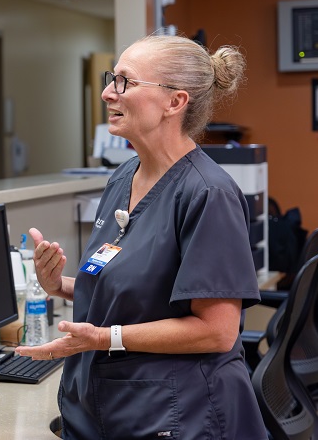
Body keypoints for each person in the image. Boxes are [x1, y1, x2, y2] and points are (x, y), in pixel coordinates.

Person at [15, 35, 268, 438]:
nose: (106, 93)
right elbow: (136, 294)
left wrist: (102, 337)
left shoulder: (207, 194)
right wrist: (56, 285)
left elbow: (217, 331)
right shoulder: (122, 179)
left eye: (124, 82)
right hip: (112, 404)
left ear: (175, 102)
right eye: (111, 78)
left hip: (181, 412)